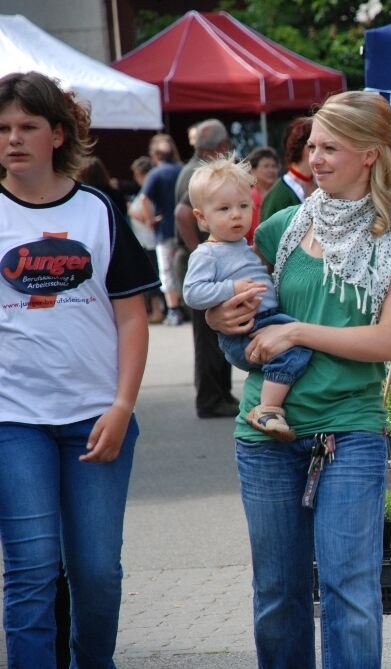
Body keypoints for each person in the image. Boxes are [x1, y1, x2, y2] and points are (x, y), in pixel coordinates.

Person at [205, 90, 391, 667]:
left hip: (350, 431)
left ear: (371, 155)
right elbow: (233, 304)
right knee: (278, 594)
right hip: (264, 434)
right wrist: (216, 315)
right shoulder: (279, 227)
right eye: (313, 145)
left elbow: (387, 342)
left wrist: (299, 332)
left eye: (332, 147)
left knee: (350, 591)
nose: (317, 157)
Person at [0, 70, 158, 666]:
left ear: (58, 134)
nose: (14, 139)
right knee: (32, 569)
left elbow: (132, 317)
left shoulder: (97, 209)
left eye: (28, 126)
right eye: (2, 128)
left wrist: (121, 407)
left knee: (96, 573)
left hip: (97, 417)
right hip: (13, 422)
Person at [183, 158, 312, 442]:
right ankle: (268, 409)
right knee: (295, 348)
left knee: (298, 341)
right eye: (224, 209)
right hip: (248, 328)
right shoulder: (207, 253)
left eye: (244, 206)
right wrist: (232, 288)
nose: (236, 215)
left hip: (263, 319)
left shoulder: (240, 245)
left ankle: (272, 405)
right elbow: (192, 293)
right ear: (202, 217)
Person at [174, 118, 241, 419]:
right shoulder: (201, 173)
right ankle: (211, 398)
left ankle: (220, 394)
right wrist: (198, 251)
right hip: (201, 262)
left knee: (215, 333)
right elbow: (182, 213)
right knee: (209, 336)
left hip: (201, 260)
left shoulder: (193, 169)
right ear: (221, 146)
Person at [133, 133, 184, 325]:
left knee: (167, 270)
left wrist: (149, 220)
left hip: (164, 230)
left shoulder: (155, 174)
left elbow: (144, 199)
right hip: (184, 229)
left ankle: (173, 309)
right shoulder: (183, 170)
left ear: (155, 154)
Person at [259, 117, 315, 222]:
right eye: (314, 145)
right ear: (305, 147)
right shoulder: (278, 195)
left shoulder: (323, 184)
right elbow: (266, 235)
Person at [246, 146, 280, 244]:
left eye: (274, 166)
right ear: (253, 171)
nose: (271, 170)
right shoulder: (246, 199)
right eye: (266, 166)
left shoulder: (283, 195)